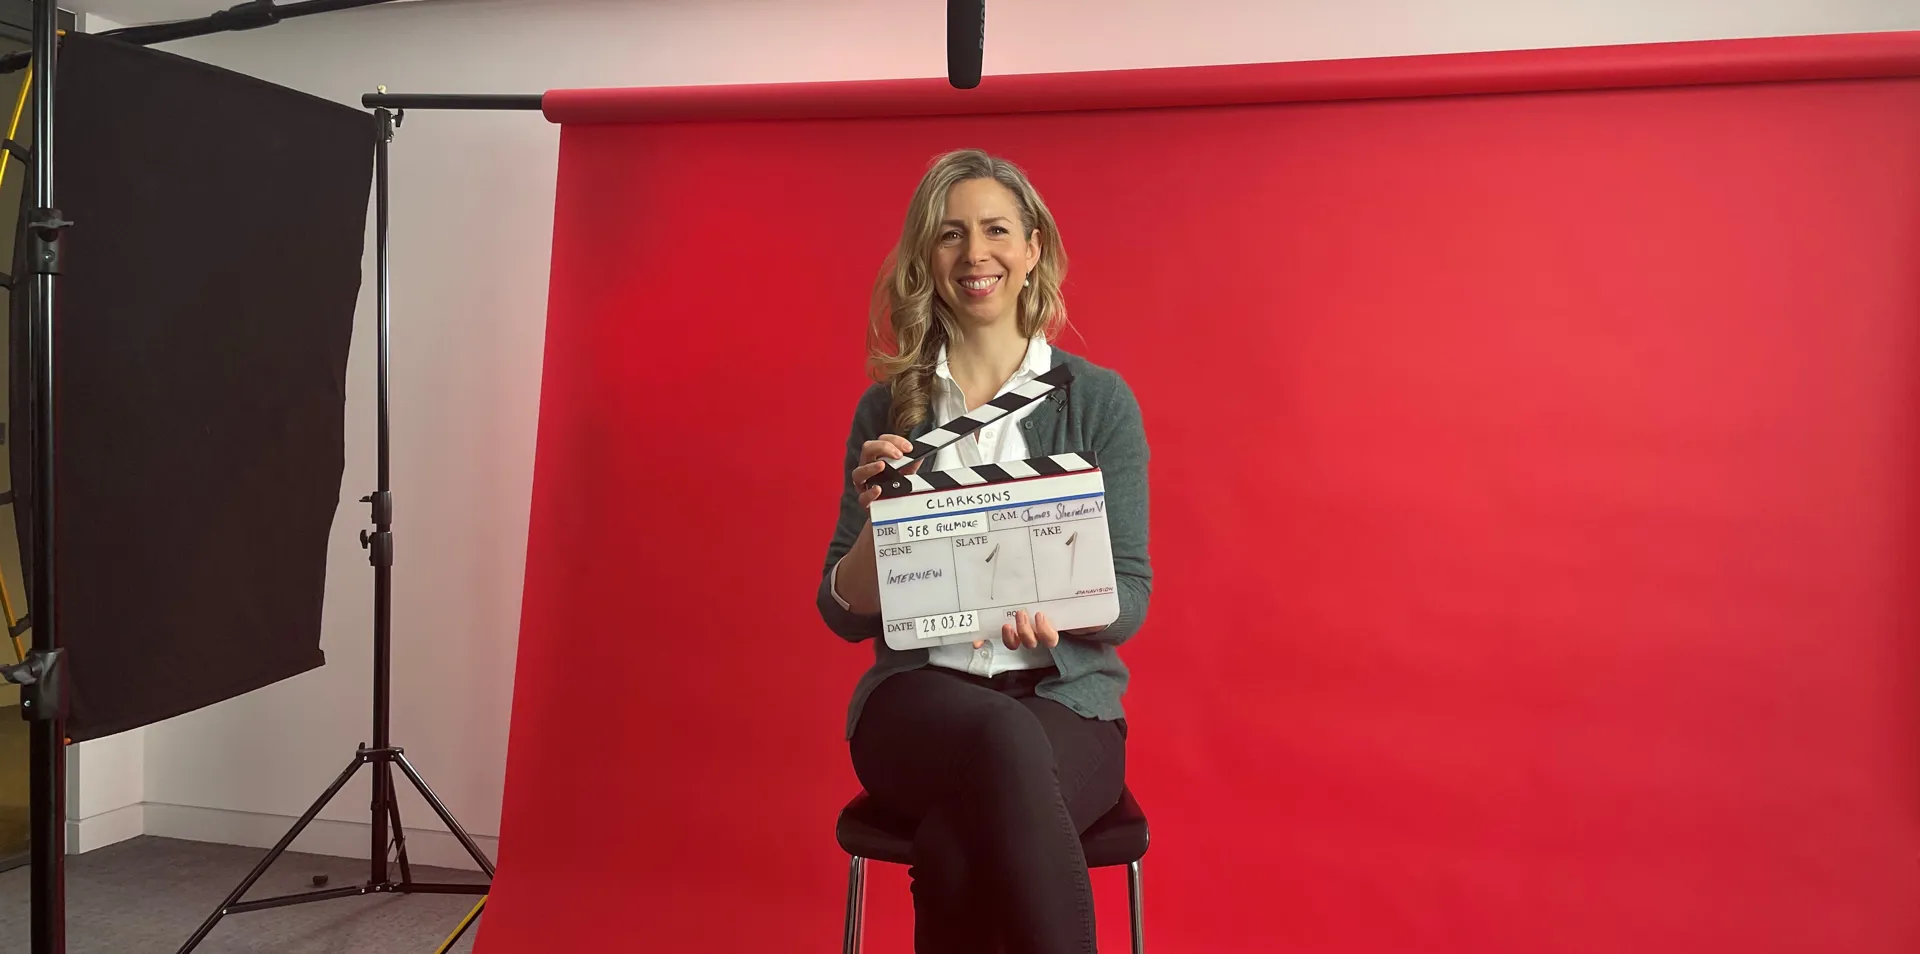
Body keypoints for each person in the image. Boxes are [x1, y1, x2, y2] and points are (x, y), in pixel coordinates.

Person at [815, 148, 1153, 954]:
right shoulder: (889, 409)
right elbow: (840, 612)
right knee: (999, 740)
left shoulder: (1097, 401)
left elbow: (1130, 596)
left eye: (997, 230)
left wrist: (1063, 611)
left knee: (957, 845)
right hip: (920, 703)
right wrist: (879, 519)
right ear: (927, 257)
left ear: (1033, 248)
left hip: (1066, 704)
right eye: (951, 234)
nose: (976, 253)